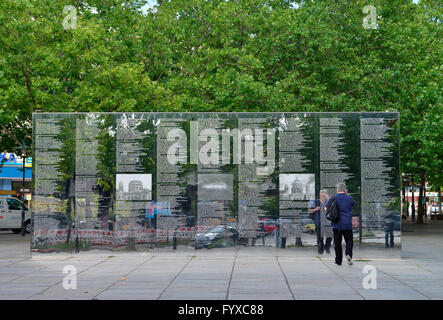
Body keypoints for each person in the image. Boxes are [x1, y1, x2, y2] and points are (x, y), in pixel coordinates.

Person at [326, 183, 354, 266]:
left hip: (336, 224)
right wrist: (347, 195)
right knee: (349, 241)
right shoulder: (349, 198)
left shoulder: (332, 198)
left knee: (337, 243)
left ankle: (338, 261)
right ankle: (348, 254)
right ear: (345, 189)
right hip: (347, 224)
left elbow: (326, 208)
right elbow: (352, 205)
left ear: (337, 190)